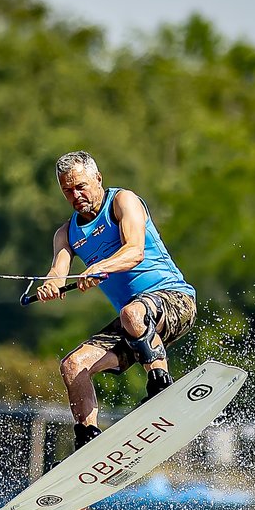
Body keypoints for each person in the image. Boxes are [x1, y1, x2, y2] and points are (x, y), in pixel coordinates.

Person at [34, 151, 198, 449]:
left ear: (98, 178)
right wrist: (51, 285)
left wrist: (100, 266)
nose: (76, 195)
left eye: (81, 186)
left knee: (132, 314)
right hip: (134, 328)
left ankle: (161, 386)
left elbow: (134, 250)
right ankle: (88, 440)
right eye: (67, 191)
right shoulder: (66, 234)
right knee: (73, 366)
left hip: (175, 302)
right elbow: (58, 270)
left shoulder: (123, 202)